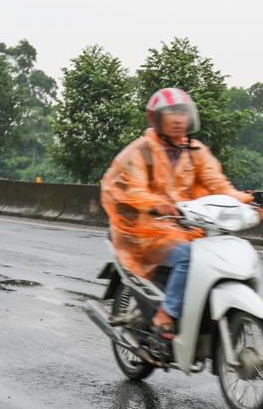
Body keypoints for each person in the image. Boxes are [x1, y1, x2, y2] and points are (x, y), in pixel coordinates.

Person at [99, 88, 255, 339]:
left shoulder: (195, 151)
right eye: (171, 113)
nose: (179, 119)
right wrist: (155, 203)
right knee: (187, 257)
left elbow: (218, 183)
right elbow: (129, 187)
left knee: (217, 253)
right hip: (144, 230)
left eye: (182, 112)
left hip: (183, 225)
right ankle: (167, 314)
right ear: (157, 119)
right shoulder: (140, 151)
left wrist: (246, 200)